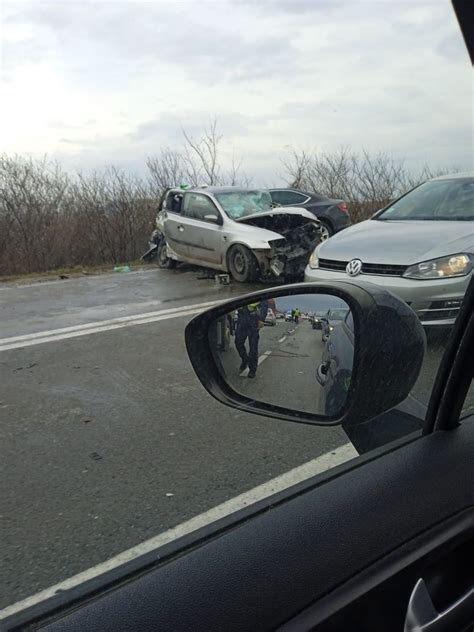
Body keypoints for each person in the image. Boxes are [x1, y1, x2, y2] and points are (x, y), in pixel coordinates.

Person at [235, 301, 268, 378]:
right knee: (238, 342)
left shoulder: (260, 291)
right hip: (242, 320)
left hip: (254, 321)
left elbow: (264, 305)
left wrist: (262, 319)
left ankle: (252, 370)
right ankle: (245, 359)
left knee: (253, 347)